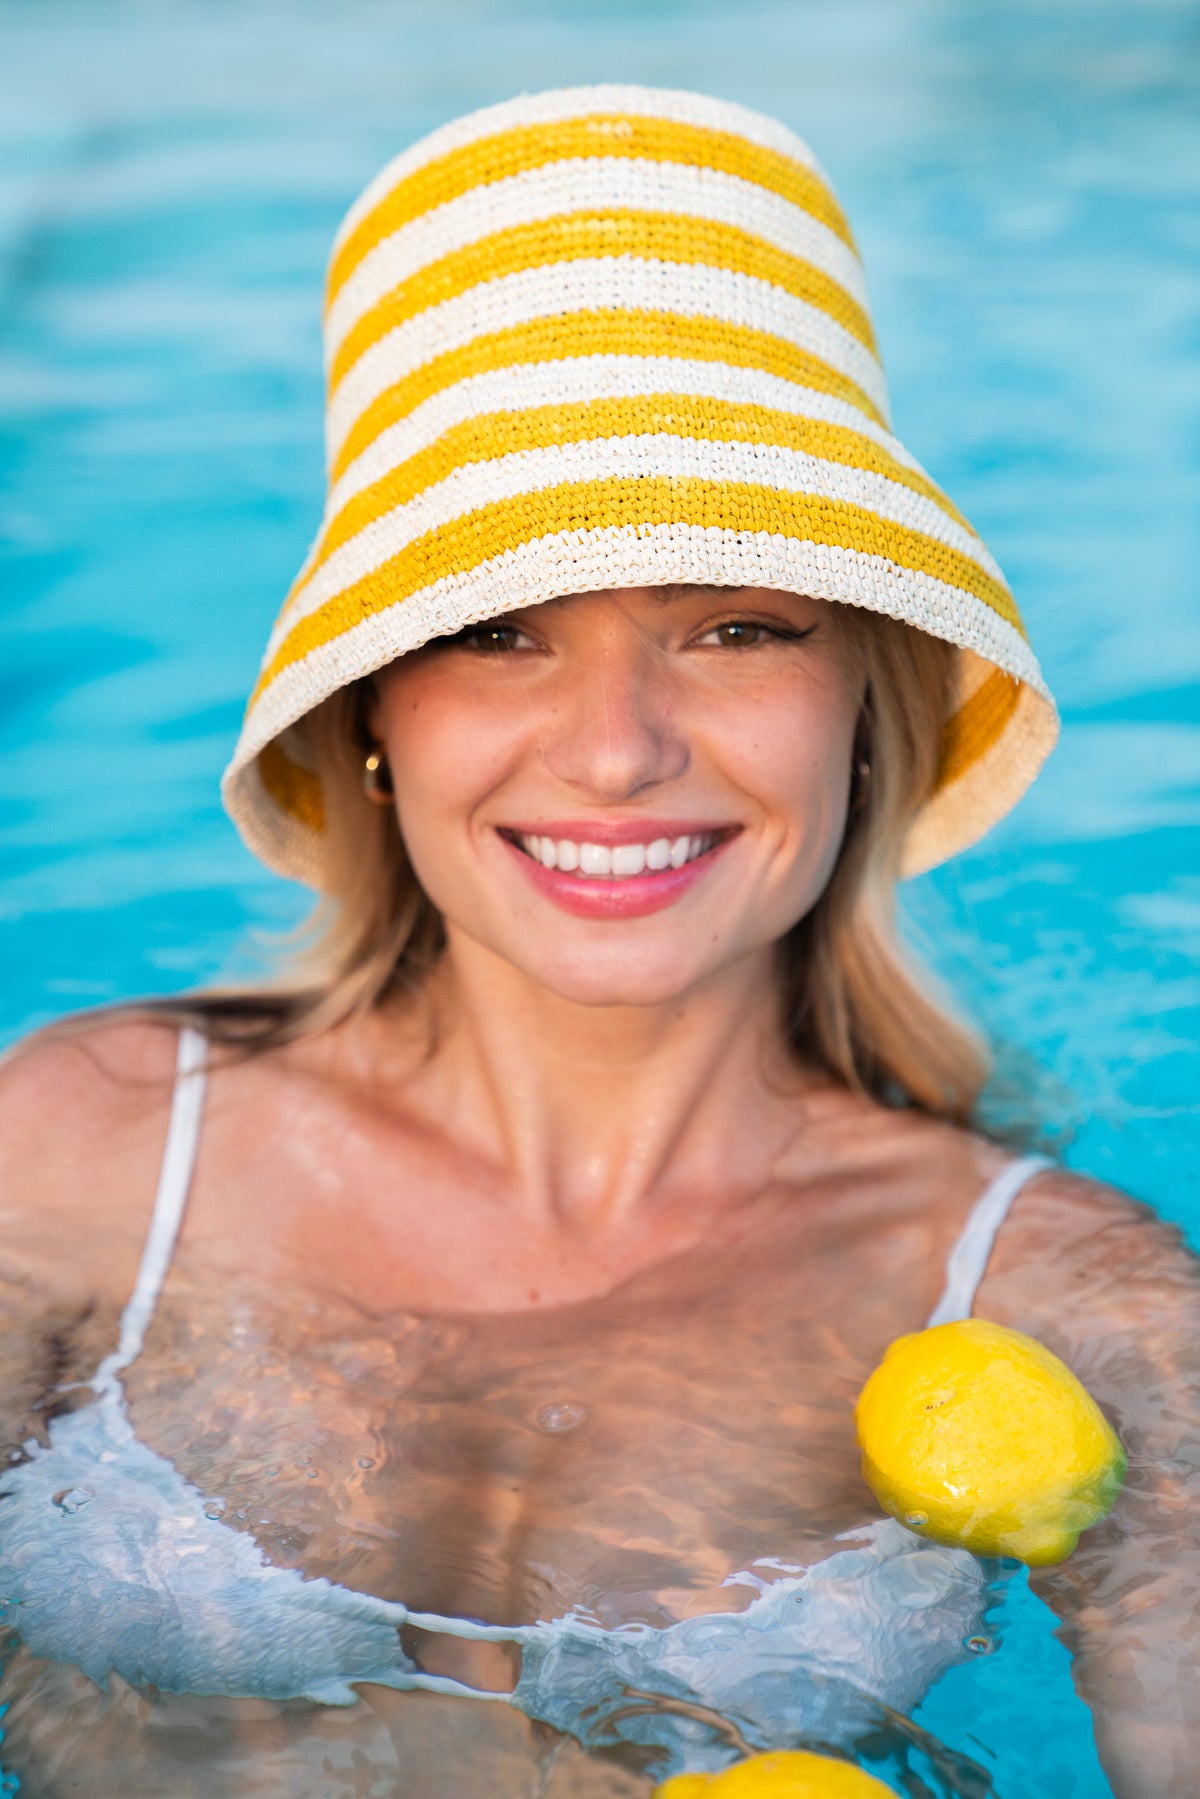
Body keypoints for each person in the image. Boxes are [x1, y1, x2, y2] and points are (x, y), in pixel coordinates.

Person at [0, 85, 1194, 1799]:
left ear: (866, 700)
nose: (618, 746)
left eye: (734, 624)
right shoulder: (82, 1144)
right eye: (495, 631)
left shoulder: (1069, 1303)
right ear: (370, 718)